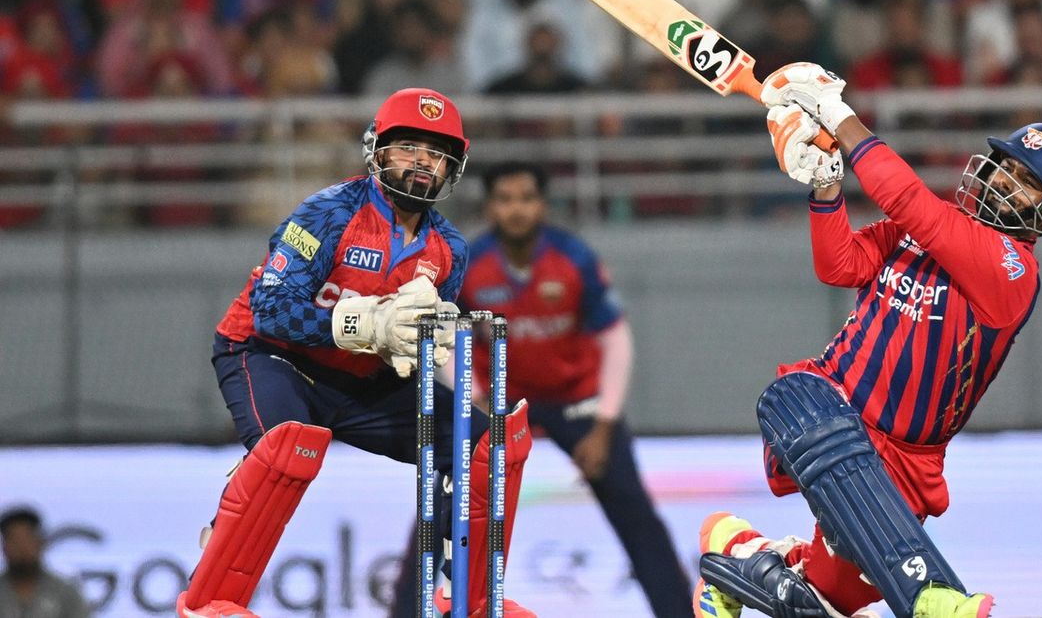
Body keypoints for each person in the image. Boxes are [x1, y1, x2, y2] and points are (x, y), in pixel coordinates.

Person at [692, 62, 1042, 618]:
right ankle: (929, 597)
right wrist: (826, 182)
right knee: (843, 467)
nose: (1003, 179)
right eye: (1007, 165)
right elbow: (840, 265)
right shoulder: (929, 224)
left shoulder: (1012, 270)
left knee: (821, 606)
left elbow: (905, 200)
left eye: (1027, 180)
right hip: (821, 408)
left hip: (905, 464)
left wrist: (838, 116)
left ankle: (734, 548)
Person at [175, 88, 535, 618]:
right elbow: (270, 309)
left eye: (436, 154)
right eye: (408, 147)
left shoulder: (449, 250)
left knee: (486, 446)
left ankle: (472, 601)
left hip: (362, 380)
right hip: (271, 357)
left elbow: (403, 347)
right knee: (285, 449)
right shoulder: (328, 213)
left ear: (452, 168)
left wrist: (423, 343)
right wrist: (365, 322)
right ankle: (211, 599)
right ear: (378, 150)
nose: (422, 163)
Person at [392, 162, 694, 617]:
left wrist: (604, 425)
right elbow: (448, 336)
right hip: (500, 403)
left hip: (577, 402)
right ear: (490, 207)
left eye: (527, 198)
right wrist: (475, 399)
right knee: (440, 505)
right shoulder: (469, 265)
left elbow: (615, 339)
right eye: (505, 199)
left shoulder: (574, 259)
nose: (516, 210)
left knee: (636, 516)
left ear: (543, 206)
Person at [0, 506, 90, 618]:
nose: (22, 548)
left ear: (40, 543)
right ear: (4, 548)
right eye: (15, 541)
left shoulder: (66, 593)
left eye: (27, 540)